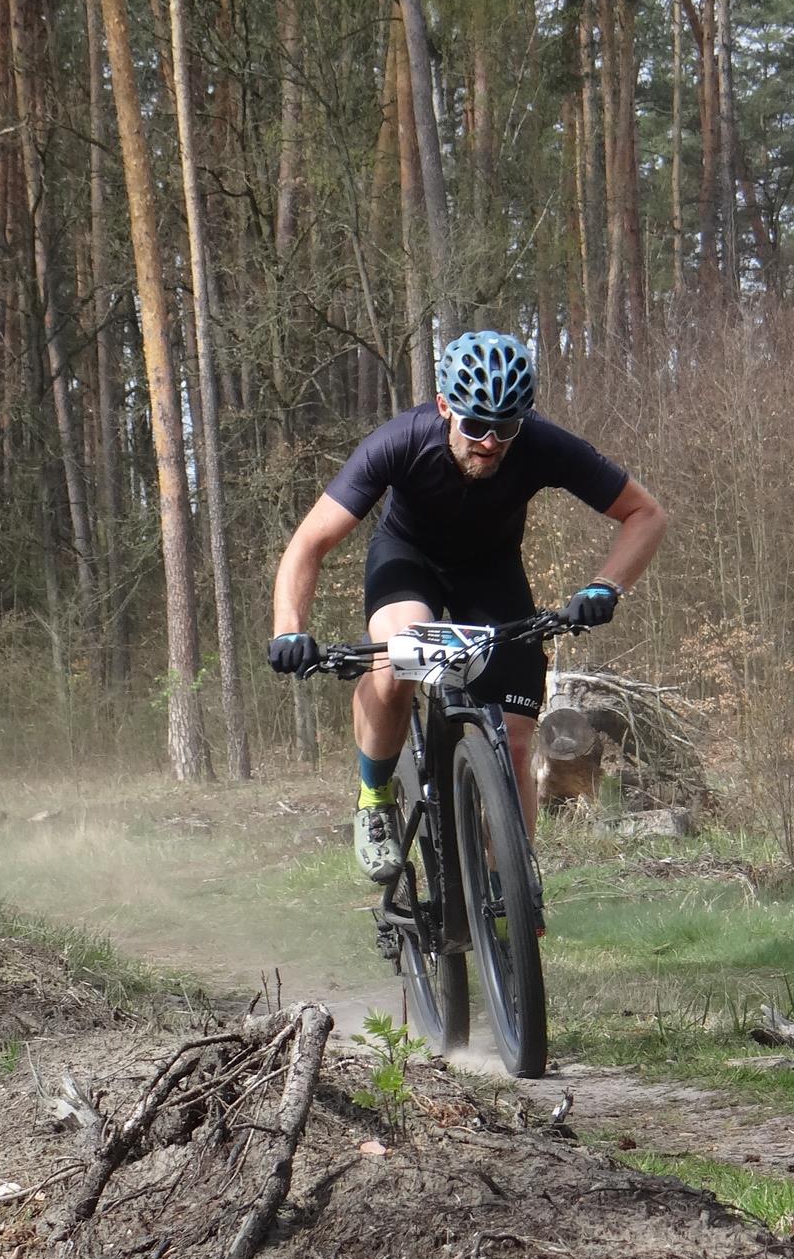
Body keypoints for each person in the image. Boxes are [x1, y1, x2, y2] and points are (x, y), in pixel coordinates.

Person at [267, 330, 667, 883]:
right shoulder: (400, 442)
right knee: (400, 655)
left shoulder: (542, 445)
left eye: (506, 428)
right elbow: (309, 543)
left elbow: (645, 514)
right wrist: (289, 629)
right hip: (407, 561)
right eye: (475, 425)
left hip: (490, 572)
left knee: (517, 738)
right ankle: (374, 797)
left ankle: (513, 893)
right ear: (443, 407)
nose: (490, 442)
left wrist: (605, 586)